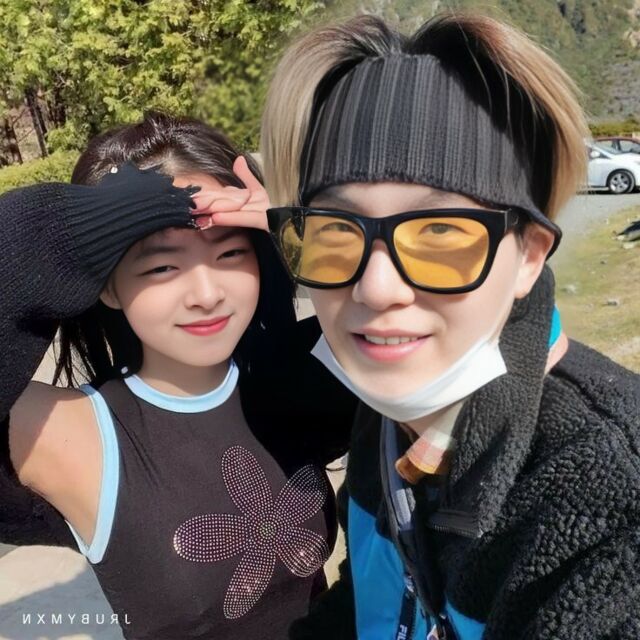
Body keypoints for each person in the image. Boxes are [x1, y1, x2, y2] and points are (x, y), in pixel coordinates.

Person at [208, 11, 640, 640]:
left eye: (439, 231)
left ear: (529, 255)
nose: (376, 288)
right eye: (335, 229)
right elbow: (371, 595)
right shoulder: (386, 421)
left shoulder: (613, 508)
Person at [0, 112, 355, 640]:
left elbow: (459, 326)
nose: (207, 294)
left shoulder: (292, 381)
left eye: (231, 252)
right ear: (108, 286)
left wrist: (308, 227)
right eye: (163, 266)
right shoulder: (78, 433)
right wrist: (76, 225)